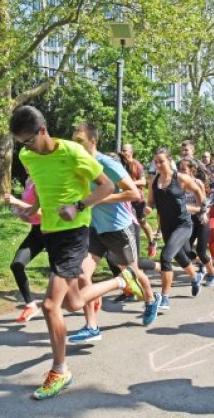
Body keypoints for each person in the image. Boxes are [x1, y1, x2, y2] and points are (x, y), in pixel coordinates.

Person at [9, 106, 142, 400]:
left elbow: (106, 187)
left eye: (28, 140)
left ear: (43, 131)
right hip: (51, 233)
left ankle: (60, 370)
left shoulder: (73, 153)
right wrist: (32, 209)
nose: (25, 148)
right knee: (74, 301)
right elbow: (45, 187)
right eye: (21, 143)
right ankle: (122, 281)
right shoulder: (27, 156)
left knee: (49, 305)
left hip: (75, 233)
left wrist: (79, 206)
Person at [67, 124, 160, 344]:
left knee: (132, 272)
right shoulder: (79, 164)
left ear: (92, 142)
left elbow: (134, 193)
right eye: (73, 141)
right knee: (82, 274)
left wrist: (96, 198)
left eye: (79, 140)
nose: (75, 145)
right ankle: (91, 326)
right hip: (95, 228)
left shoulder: (106, 164)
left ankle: (150, 298)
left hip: (119, 228)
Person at [148, 147, 204, 309]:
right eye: (156, 162)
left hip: (183, 224)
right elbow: (151, 202)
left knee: (165, 257)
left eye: (161, 161)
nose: (158, 165)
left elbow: (197, 190)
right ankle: (195, 277)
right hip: (166, 225)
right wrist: (147, 209)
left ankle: (164, 297)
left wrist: (200, 208)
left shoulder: (180, 178)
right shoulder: (154, 181)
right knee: (179, 256)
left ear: (170, 160)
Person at [4, 176, 44, 323]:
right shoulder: (28, 181)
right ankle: (30, 305)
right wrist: (20, 213)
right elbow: (32, 216)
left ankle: (89, 293)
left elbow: (42, 212)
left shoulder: (41, 180)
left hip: (52, 232)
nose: (26, 166)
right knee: (17, 265)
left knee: (69, 277)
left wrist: (17, 202)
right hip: (36, 231)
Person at [178, 158, 214, 286]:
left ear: (192, 170)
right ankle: (201, 263)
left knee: (202, 251)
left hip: (200, 220)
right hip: (186, 221)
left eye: (183, 169)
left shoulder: (198, 183)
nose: (181, 172)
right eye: (179, 169)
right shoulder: (178, 184)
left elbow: (202, 203)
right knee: (184, 249)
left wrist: (202, 214)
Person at [120, 143, 156, 258]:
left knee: (141, 221)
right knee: (128, 223)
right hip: (125, 198)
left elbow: (143, 182)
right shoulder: (121, 164)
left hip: (137, 198)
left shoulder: (137, 165)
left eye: (125, 150)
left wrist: (130, 184)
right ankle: (128, 249)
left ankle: (152, 242)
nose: (123, 152)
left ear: (131, 152)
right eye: (122, 150)